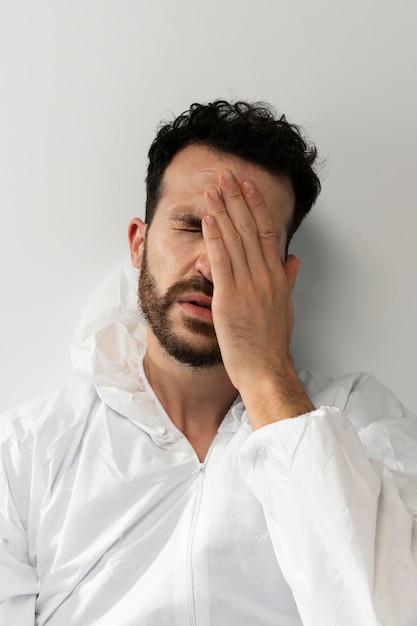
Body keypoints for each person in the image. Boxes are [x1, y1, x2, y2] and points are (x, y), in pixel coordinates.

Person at [1, 100, 416, 626]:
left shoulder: (363, 421)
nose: (211, 264)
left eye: (245, 244)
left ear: (284, 280)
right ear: (139, 243)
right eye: (192, 226)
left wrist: (268, 376)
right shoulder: (24, 455)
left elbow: (392, 612)